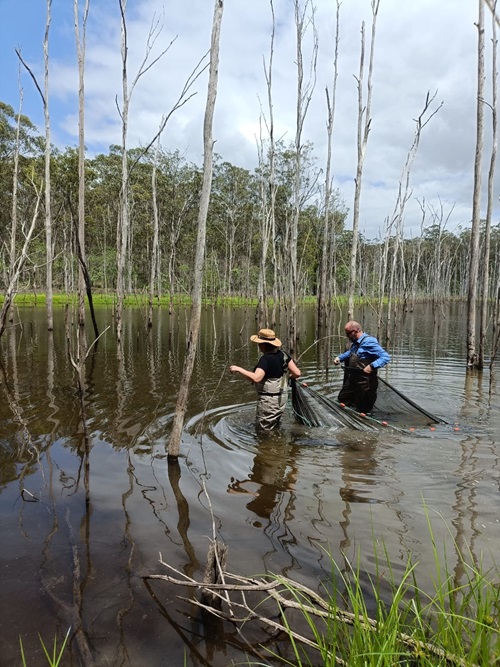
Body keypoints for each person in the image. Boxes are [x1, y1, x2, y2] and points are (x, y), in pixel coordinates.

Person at [230, 328, 301, 430]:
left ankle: (268, 445)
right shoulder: (284, 355)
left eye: (259, 344)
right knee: (275, 426)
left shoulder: (265, 359)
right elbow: (297, 373)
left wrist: (239, 369)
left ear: (263, 345)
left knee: (263, 432)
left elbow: (256, 378)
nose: (258, 346)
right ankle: (278, 444)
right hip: (281, 399)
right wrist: (287, 378)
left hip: (269, 402)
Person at [333, 320, 390, 414]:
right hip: (353, 381)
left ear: (355, 331)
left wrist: (372, 366)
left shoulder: (369, 342)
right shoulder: (356, 343)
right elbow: (351, 352)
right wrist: (340, 358)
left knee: (363, 411)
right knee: (343, 399)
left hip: (366, 384)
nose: (347, 336)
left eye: (348, 334)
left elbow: (385, 357)